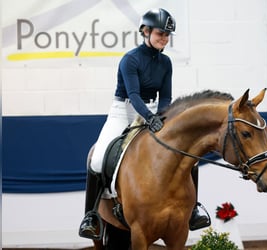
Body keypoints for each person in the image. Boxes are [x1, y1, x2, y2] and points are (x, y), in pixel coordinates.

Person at [79, 8, 210, 240]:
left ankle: (194, 208)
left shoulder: (166, 62)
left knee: (189, 157)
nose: (165, 39)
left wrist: (160, 116)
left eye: (168, 35)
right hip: (124, 110)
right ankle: (91, 216)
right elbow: (134, 94)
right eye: (161, 33)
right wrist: (149, 120)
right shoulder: (130, 59)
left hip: (155, 111)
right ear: (146, 31)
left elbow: (166, 97)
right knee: (97, 158)